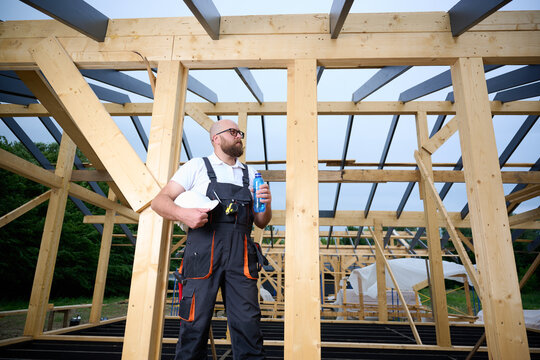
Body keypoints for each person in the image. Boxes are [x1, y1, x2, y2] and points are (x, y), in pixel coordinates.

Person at [151, 119, 272, 360]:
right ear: (215, 138)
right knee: (194, 325)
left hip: (241, 257)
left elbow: (261, 221)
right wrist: (183, 214)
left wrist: (266, 204)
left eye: (240, 133)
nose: (239, 136)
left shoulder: (251, 173)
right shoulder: (196, 166)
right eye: (233, 132)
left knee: (248, 324)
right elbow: (159, 202)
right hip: (202, 251)